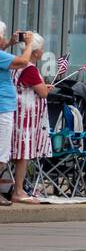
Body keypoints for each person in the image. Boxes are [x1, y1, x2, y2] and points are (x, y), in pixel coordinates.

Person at [9, 32, 52, 203]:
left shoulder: (17, 65)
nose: (43, 51)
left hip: (17, 112)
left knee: (17, 153)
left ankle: (13, 187)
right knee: (23, 154)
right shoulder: (30, 69)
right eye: (41, 48)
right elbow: (42, 92)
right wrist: (46, 88)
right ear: (35, 52)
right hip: (26, 117)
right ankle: (18, 191)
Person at [0, 22, 37, 205]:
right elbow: (22, 62)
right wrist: (29, 44)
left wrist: (9, 44)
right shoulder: (3, 57)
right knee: (1, 153)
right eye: (3, 35)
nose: (4, 38)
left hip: (5, 106)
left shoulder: (2, 54)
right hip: (3, 107)